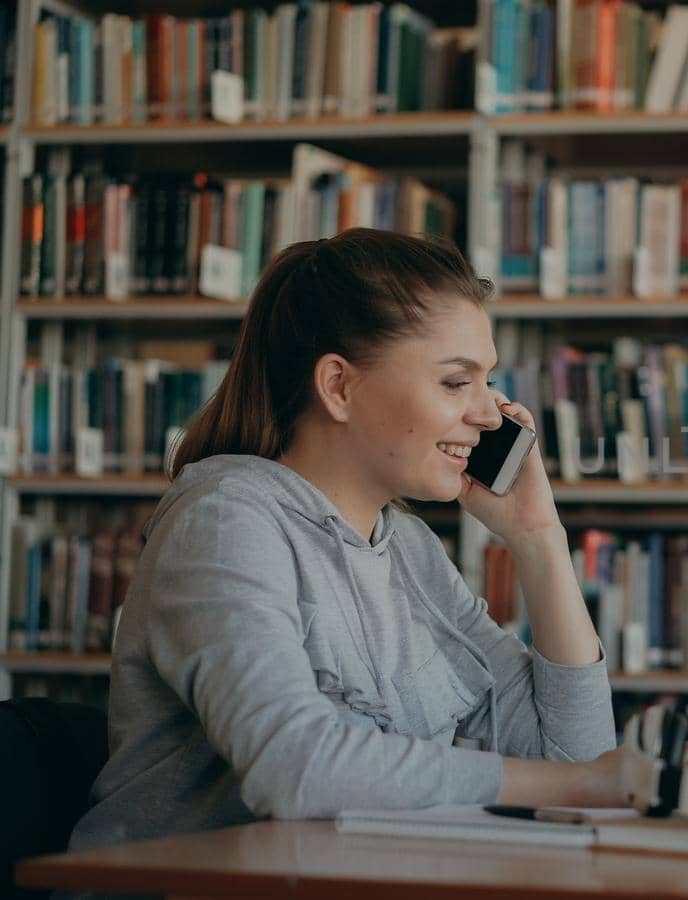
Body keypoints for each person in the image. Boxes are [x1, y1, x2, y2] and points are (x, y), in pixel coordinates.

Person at [70, 229, 622, 852]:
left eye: (486, 381)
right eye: (454, 382)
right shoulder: (225, 523)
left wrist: (538, 538)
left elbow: (574, 757)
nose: (491, 415)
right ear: (338, 386)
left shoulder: (408, 550)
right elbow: (295, 767)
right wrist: (565, 787)